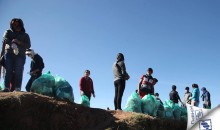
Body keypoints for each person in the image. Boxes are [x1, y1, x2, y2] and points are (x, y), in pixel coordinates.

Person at [1, 18, 31, 92]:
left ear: (21, 25)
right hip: (9, 54)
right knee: (8, 70)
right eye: (14, 24)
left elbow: (28, 45)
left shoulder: (25, 35)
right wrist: (12, 44)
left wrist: (19, 42)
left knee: (19, 71)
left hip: (20, 55)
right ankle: (6, 88)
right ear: (12, 25)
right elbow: (5, 39)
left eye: (17, 24)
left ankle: (17, 88)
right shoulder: (8, 32)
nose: (16, 25)